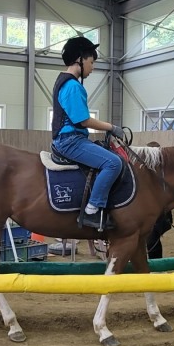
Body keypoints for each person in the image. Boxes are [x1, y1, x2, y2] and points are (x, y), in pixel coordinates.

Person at [51, 36, 125, 231]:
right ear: (79, 60)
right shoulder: (73, 85)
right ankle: (93, 210)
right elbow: (83, 120)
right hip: (70, 140)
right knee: (113, 162)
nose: (92, 67)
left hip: (70, 138)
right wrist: (111, 127)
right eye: (91, 62)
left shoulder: (65, 81)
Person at [145, 141, 173, 259]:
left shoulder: (164, 172)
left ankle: (155, 266)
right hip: (150, 213)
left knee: (152, 241)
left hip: (159, 214)